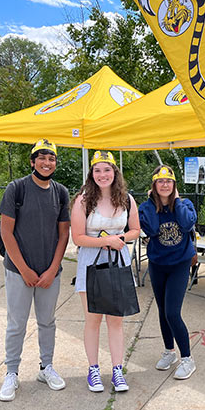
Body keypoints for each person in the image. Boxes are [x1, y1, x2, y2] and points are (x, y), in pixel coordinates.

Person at [0, 139, 70, 402]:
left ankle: (46, 367)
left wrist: (52, 269)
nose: (47, 162)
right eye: (42, 157)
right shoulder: (17, 188)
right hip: (19, 272)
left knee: (47, 321)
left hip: (49, 271)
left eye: (51, 158)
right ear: (32, 161)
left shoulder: (61, 192)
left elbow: (64, 235)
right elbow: (6, 232)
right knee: (16, 323)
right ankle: (11, 373)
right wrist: (24, 269)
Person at [71, 150, 140, 393]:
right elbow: (78, 237)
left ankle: (118, 371)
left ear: (115, 172)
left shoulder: (127, 199)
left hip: (118, 261)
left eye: (107, 169)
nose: (103, 174)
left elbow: (135, 230)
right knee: (93, 320)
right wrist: (106, 241)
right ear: (92, 173)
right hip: (91, 262)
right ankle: (93, 370)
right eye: (97, 170)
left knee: (116, 321)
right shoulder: (82, 200)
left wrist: (118, 238)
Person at [139, 165, 198, 380]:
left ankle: (187, 358)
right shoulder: (146, 208)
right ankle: (169, 351)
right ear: (154, 185)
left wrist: (178, 201)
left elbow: (185, 224)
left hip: (179, 264)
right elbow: (153, 229)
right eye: (160, 181)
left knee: (173, 312)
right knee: (163, 310)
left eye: (169, 181)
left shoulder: (186, 205)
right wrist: (155, 203)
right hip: (157, 264)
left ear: (174, 185)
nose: (165, 185)